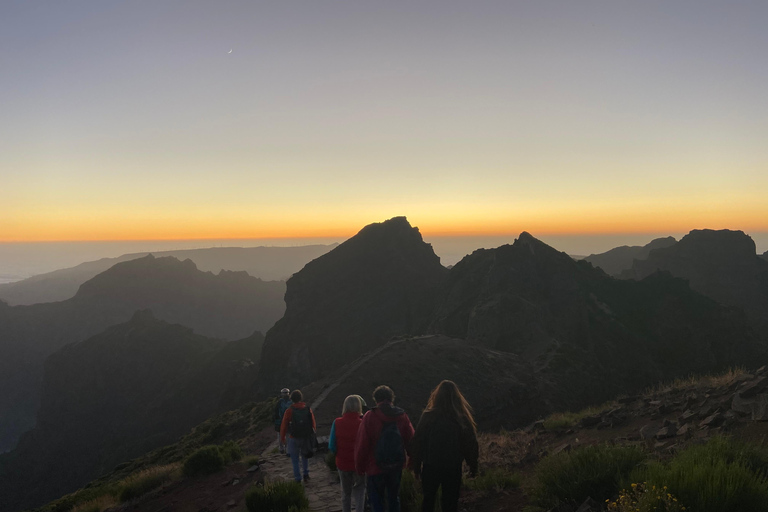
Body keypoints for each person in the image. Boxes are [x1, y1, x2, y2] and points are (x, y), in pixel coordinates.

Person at [409, 380, 479, 512]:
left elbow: (418, 442)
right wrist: (473, 465)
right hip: (453, 466)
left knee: (428, 501)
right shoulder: (461, 418)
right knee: (450, 502)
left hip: (430, 466)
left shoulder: (428, 416)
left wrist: (417, 468)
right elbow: (470, 443)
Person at [355, 385, 415, 512]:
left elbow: (362, 444)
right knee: (394, 498)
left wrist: (360, 467)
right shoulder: (402, 416)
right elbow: (411, 441)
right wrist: (412, 461)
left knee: (376, 501)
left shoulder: (369, 416)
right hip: (396, 465)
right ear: (391, 399)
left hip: (375, 467)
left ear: (376, 400)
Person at [329, 395, 366, 512]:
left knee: (346, 493)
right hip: (359, 465)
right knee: (360, 492)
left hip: (343, 464)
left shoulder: (337, 422)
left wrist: (338, 456)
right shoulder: (363, 423)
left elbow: (332, 446)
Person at [280, 389, 317, 483]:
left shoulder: (289, 411)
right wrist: (312, 435)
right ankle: (306, 474)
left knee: (295, 459)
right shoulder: (308, 409)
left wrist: (283, 438)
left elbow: (284, 425)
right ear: (301, 398)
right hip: (305, 436)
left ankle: (297, 478)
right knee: (305, 456)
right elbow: (313, 424)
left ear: (291, 399)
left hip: (293, 437)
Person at [273, 388, 292, 454]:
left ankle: (283, 449)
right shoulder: (290, 401)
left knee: (282, 436)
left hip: (282, 422)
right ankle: (286, 449)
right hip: (286, 422)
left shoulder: (280, 402)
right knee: (287, 436)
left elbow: (276, 412)